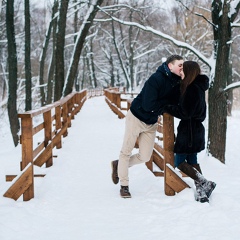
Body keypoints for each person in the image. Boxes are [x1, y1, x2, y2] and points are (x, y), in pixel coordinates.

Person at [111, 55, 184, 198]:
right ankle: (124, 186)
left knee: (144, 156)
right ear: (170, 66)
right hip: (136, 118)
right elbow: (148, 105)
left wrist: (182, 82)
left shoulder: (177, 83)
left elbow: (177, 103)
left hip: (151, 123)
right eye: (180, 65)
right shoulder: (155, 79)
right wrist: (165, 106)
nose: (182, 67)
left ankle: (119, 165)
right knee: (126, 151)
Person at [163, 61, 216, 203]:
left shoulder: (192, 88)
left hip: (189, 131)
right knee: (192, 160)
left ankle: (205, 182)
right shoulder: (197, 87)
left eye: (183, 70)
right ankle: (202, 192)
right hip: (195, 129)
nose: (180, 73)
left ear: (189, 72)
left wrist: (167, 108)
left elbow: (185, 112)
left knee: (179, 161)